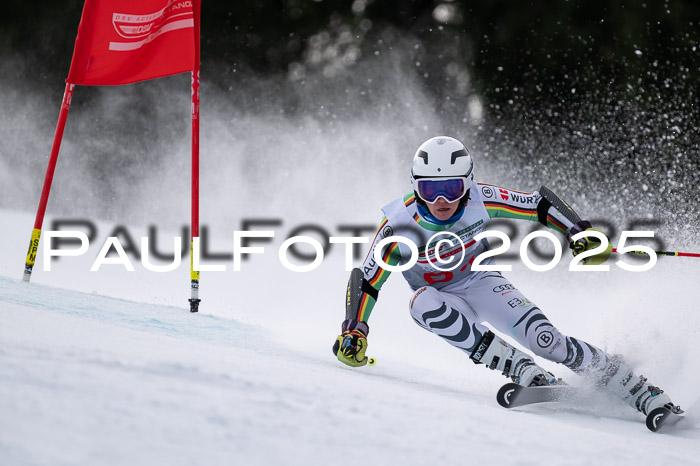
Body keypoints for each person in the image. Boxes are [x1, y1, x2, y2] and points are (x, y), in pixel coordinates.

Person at [333, 135, 680, 417]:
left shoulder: (481, 199)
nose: (441, 200)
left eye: (452, 189)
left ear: (467, 184)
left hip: (481, 281)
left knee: (548, 341)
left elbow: (538, 204)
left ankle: (636, 388)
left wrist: (578, 232)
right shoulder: (398, 225)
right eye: (429, 189)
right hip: (440, 297)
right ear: (415, 187)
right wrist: (354, 329)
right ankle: (519, 368)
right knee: (421, 303)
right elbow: (367, 279)